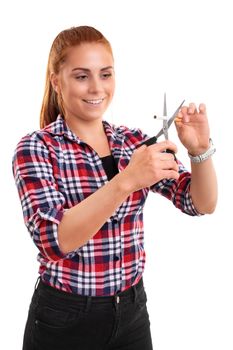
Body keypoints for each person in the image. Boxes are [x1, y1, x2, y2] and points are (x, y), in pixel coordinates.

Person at [12, 25, 217, 350]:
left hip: (132, 312)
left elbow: (199, 202)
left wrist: (199, 151)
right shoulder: (37, 148)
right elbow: (54, 241)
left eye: (105, 74)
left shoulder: (132, 142)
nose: (96, 87)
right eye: (82, 76)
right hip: (64, 319)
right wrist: (126, 181)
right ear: (56, 81)